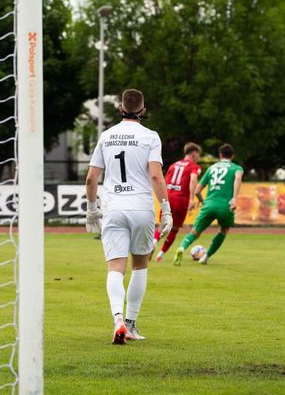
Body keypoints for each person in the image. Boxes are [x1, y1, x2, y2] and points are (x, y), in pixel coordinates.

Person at [85, 89, 173, 344]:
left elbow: (91, 178)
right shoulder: (150, 136)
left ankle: (118, 319)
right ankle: (132, 324)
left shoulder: (106, 135)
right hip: (142, 208)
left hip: (114, 208)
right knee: (140, 265)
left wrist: (92, 209)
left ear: (121, 109)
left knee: (115, 268)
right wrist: (166, 210)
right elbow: (155, 175)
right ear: (143, 111)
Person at [173, 143, 243, 266]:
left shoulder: (211, 168)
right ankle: (206, 256)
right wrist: (234, 198)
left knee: (195, 232)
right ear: (232, 156)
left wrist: (203, 201)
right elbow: (237, 179)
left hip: (209, 204)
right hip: (225, 206)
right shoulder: (237, 168)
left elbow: (197, 190)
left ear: (220, 155)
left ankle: (181, 248)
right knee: (223, 230)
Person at [153, 142, 203, 262]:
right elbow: (193, 180)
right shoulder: (194, 167)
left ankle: (154, 242)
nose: (199, 158)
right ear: (194, 154)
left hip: (168, 197)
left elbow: (164, 181)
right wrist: (192, 199)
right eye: (198, 155)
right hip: (181, 200)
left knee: (162, 225)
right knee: (174, 228)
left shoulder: (173, 165)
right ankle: (160, 255)